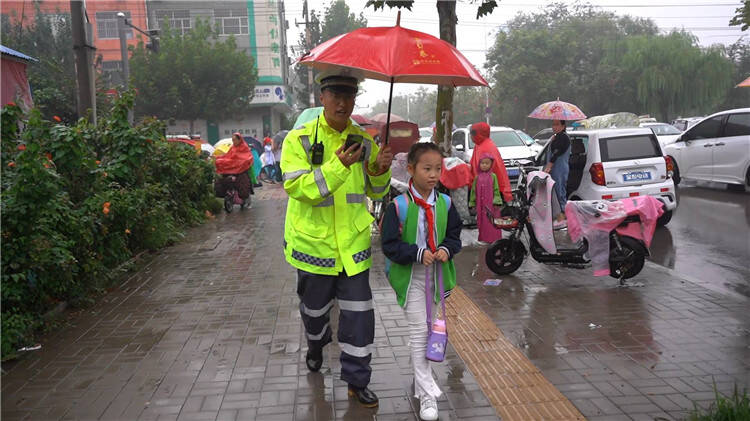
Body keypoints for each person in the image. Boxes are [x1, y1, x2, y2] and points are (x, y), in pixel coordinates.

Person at [280, 70, 393, 408]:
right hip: (313, 248)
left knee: (360, 316)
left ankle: (358, 382)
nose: (343, 102)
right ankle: (316, 345)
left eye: (349, 95)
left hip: (354, 247)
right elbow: (298, 188)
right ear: (322, 98)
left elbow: (376, 192)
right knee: (314, 314)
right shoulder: (298, 140)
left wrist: (379, 169)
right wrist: (338, 166)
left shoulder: (365, 139)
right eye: (336, 95)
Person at [380, 142, 462, 421]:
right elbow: (389, 245)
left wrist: (446, 249)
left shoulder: (446, 203)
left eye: (438, 168)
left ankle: (419, 371)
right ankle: (427, 394)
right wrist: (416, 254)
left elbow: (454, 235)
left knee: (427, 330)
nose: (433, 175)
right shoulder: (398, 206)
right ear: (411, 170)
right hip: (411, 276)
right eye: (427, 168)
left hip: (437, 278)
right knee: (420, 334)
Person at [468, 122, 513, 204]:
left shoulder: (485, 147)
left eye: (472, 133)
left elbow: (488, 170)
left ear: (479, 134)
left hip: (487, 187)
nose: (470, 136)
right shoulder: (480, 145)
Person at [469, 153, 504, 243]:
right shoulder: (477, 178)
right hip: (481, 206)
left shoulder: (493, 177)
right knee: (482, 222)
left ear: (491, 164)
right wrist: (472, 203)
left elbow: (496, 190)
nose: (484, 165)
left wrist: (496, 202)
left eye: (487, 163)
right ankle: (483, 238)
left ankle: (494, 239)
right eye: (482, 163)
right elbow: (473, 191)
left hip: (491, 205)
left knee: (492, 222)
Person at [542, 119, 571, 229]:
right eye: (553, 124)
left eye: (557, 124)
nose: (554, 126)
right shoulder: (556, 137)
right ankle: (558, 217)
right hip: (554, 169)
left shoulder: (563, 137)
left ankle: (563, 217)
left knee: (560, 192)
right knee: (554, 192)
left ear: (563, 126)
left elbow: (557, 152)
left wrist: (549, 165)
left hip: (559, 169)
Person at [213, 132, 254, 201]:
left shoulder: (244, 147)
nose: (233, 142)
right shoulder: (232, 148)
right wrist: (217, 158)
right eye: (232, 140)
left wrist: (239, 162)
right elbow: (227, 156)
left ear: (239, 139)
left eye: (235, 140)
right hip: (232, 167)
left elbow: (247, 157)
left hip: (240, 169)